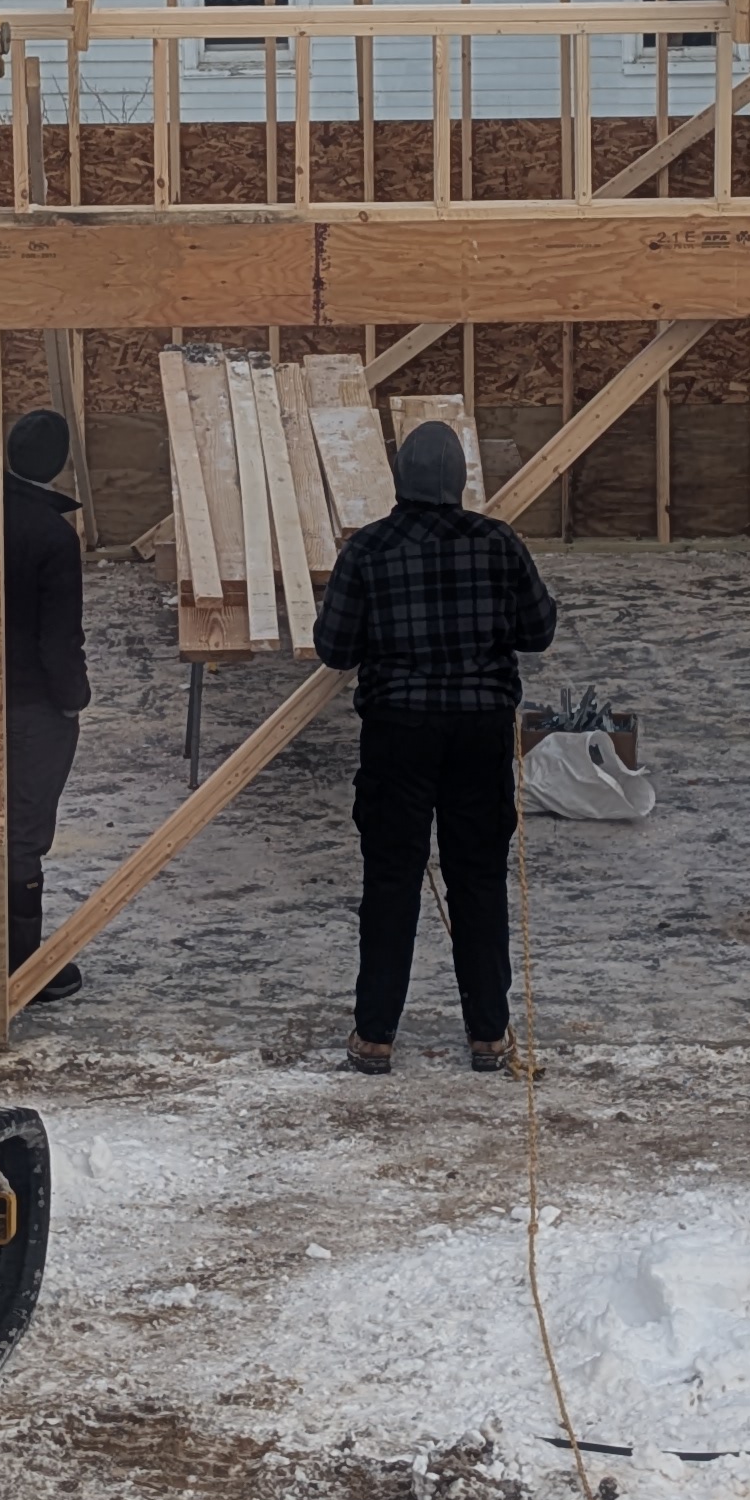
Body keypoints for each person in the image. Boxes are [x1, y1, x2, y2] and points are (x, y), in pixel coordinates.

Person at [310, 409, 559, 1073]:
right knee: (478, 877)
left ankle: (374, 1036)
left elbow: (334, 647)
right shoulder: (498, 543)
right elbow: (538, 632)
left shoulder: (368, 550)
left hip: (398, 731)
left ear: (398, 479)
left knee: (391, 880)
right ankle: (489, 1034)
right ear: (460, 481)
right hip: (481, 730)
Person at [0, 399, 93, 968]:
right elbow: (58, 641)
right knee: (25, 832)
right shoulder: (53, 538)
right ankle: (20, 965)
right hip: (33, 707)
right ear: (57, 465)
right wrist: (73, 700)